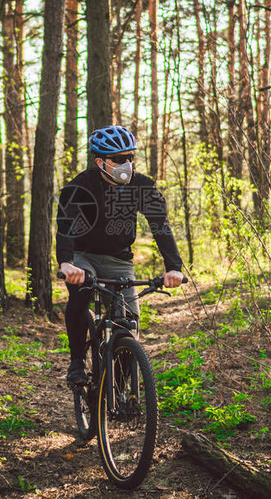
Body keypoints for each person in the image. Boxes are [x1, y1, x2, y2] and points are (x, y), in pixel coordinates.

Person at [56, 125, 184, 384]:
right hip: (84, 257)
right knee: (80, 296)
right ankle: (77, 362)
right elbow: (65, 227)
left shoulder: (143, 186)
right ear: (100, 162)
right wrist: (67, 263)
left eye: (130, 157)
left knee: (129, 322)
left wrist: (174, 267)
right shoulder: (80, 186)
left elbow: (160, 226)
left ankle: (123, 390)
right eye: (118, 159)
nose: (126, 164)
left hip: (120, 260)